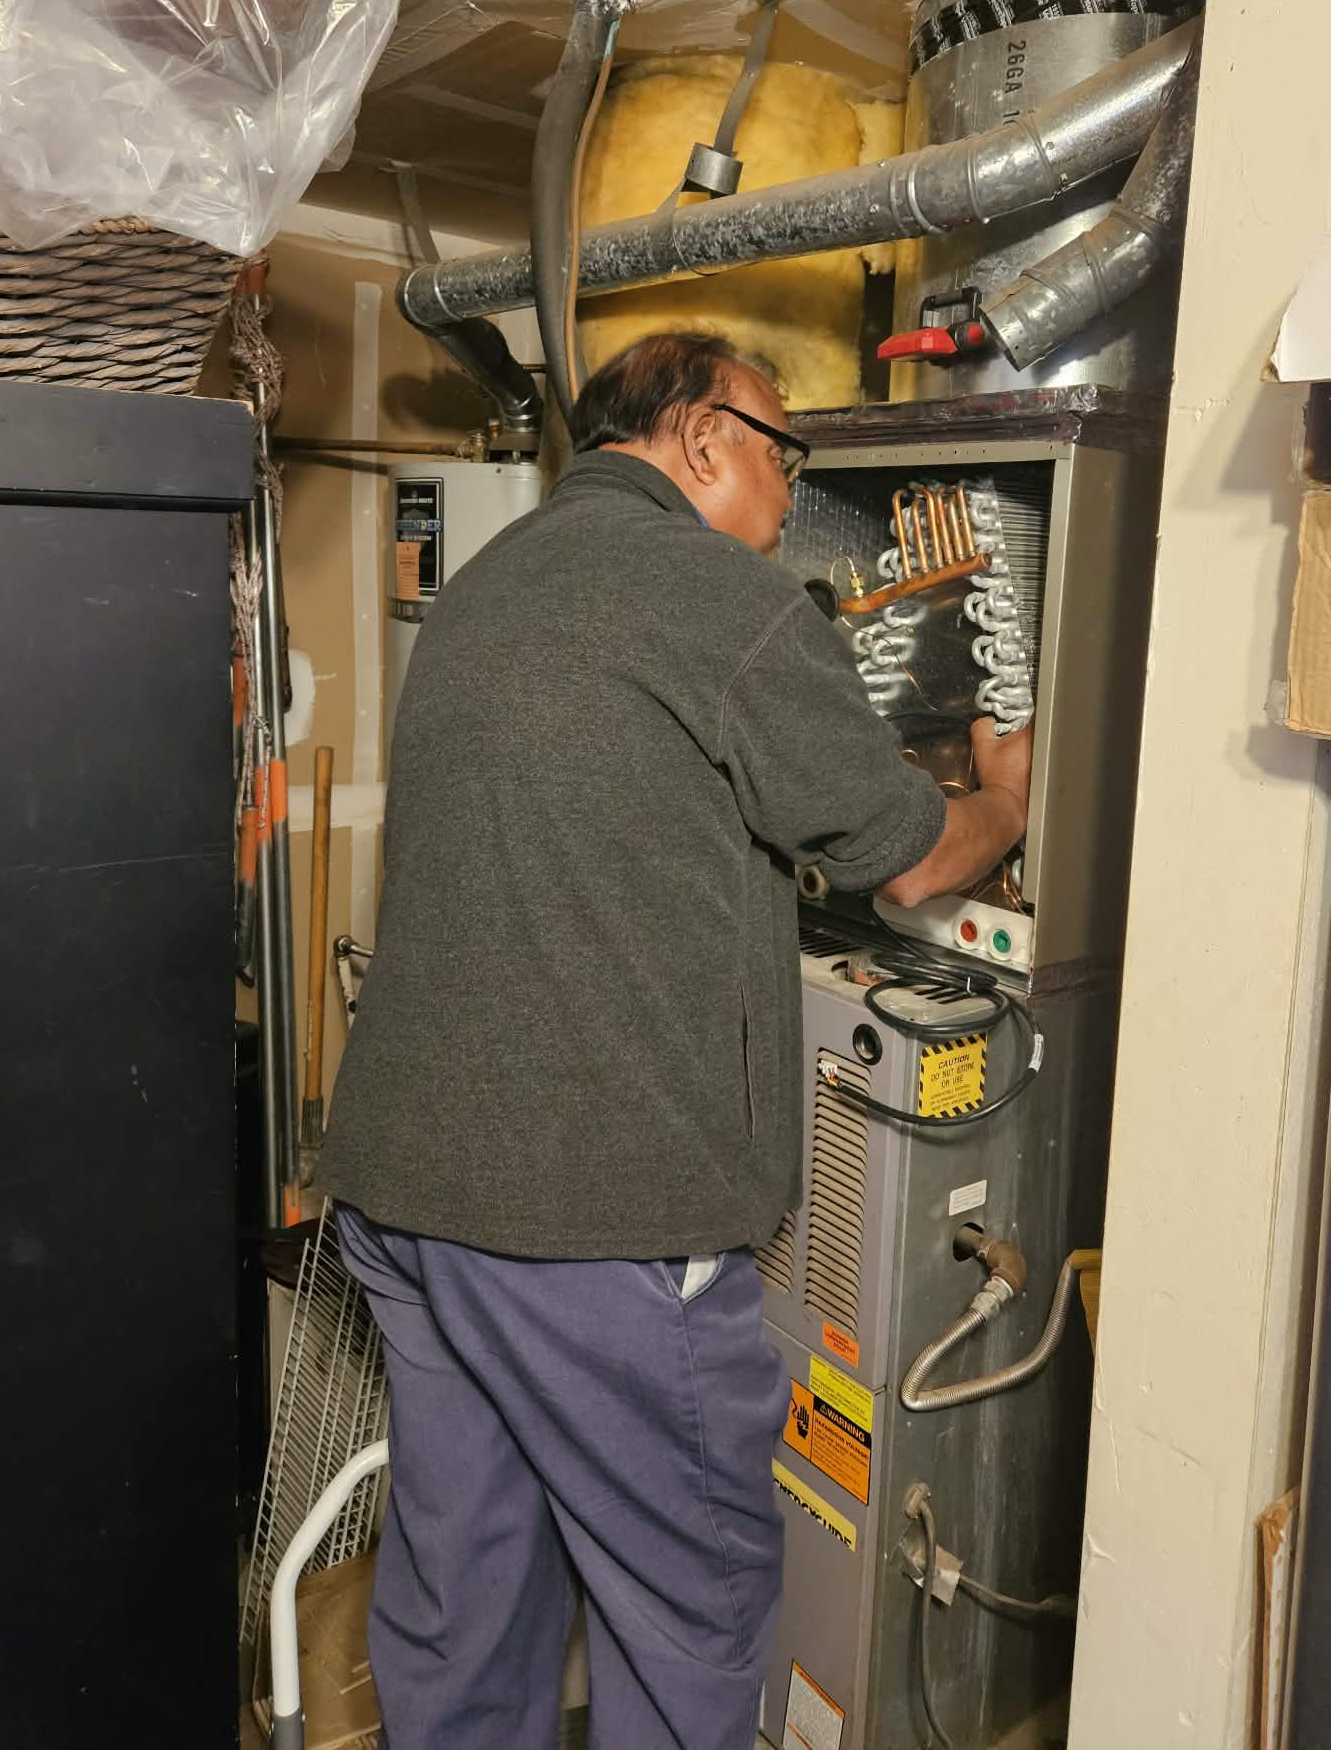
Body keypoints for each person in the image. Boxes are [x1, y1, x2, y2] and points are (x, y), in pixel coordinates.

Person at [320, 331, 1033, 1750]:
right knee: (689, 1615)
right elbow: (903, 863)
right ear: (703, 438)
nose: (787, 501)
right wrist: (1004, 801)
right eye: (785, 456)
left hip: (410, 1191)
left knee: (467, 1598)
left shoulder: (490, 581)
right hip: (594, 1229)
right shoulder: (720, 595)